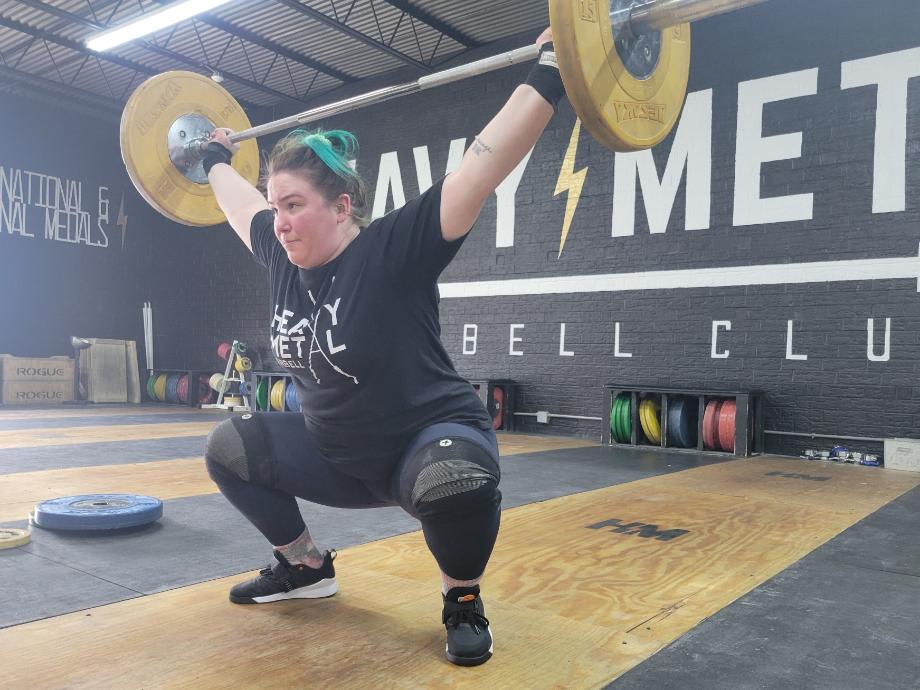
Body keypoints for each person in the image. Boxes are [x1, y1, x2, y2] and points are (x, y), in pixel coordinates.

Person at [201, 27, 564, 667]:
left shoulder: (392, 251)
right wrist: (210, 160)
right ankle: (306, 566)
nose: (279, 219)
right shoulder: (281, 254)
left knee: (455, 481)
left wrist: (554, 69)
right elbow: (236, 207)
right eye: (274, 205)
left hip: (425, 442)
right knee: (229, 446)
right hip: (336, 454)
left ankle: (462, 600)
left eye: (294, 205)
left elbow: (482, 168)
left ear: (342, 208)